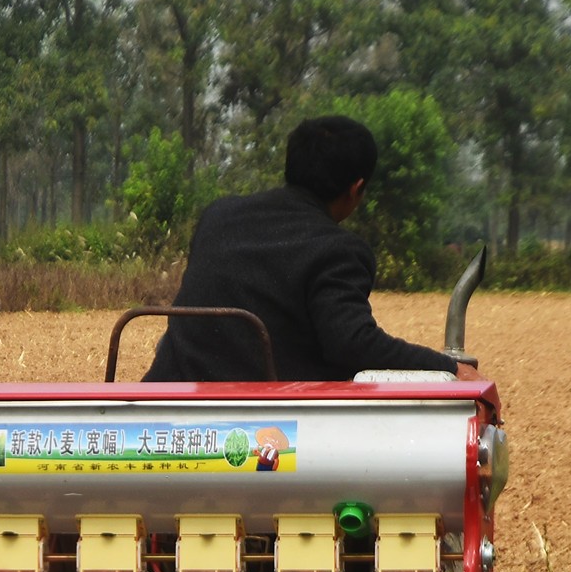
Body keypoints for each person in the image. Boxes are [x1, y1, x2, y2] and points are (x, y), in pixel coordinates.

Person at [143, 116, 469, 383]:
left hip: (172, 402)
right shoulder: (338, 251)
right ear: (356, 190)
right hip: (268, 432)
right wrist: (448, 367)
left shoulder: (217, 216)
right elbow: (352, 344)